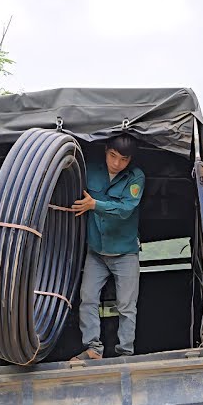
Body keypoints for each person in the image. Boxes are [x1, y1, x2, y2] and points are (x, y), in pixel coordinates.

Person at [71, 133, 145, 359]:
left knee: (126, 306)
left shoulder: (136, 178)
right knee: (88, 299)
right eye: (113, 156)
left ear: (130, 160)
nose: (116, 163)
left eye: (123, 159)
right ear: (105, 150)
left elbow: (125, 210)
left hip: (125, 252)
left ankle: (125, 353)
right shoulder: (90, 170)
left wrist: (94, 205)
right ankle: (93, 349)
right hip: (96, 251)